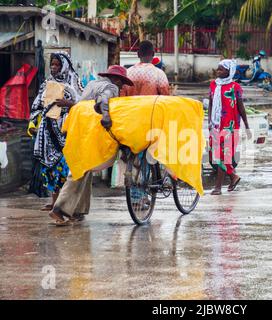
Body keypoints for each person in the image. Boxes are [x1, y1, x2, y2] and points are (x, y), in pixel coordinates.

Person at [49, 65, 133, 225]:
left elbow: (81, 105)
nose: (121, 87)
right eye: (122, 83)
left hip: (78, 128)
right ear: (117, 79)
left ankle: (77, 211)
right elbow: (103, 100)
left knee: (85, 168)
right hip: (91, 132)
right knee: (79, 170)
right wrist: (106, 115)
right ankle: (59, 209)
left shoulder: (92, 85)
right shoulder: (111, 87)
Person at [30, 51, 83, 211]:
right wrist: (35, 122)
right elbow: (37, 105)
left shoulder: (75, 82)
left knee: (66, 168)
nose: (54, 67)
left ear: (65, 66)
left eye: (57, 64)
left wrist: (69, 103)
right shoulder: (47, 83)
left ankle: (66, 205)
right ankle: (54, 202)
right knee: (51, 169)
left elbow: (85, 103)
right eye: (52, 64)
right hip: (48, 131)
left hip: (67, 130)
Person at [124, 40, 170, 207]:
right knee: (148, 155)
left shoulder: (128, 73)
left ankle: (137, 195)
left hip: (129, 122)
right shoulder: (158, 74)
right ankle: (142, 195)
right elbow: (166, 98)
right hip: (151, 123)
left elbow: (122, 97)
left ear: (138, 54)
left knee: (135, 157)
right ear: (153, 54)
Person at [208, 59, 252, 195]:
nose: (218, 71)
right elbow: (210, 103)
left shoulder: (235, 87)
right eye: (218, 68)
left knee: (223, 156)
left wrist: (246, 125)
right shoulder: (213, 85)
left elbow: (240, 107)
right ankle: (233, 177)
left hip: (230, 125)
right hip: (216, 125)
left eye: (222, 69)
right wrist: (209, 120)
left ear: (229, 71)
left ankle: (218, 187)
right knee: (215, 154)